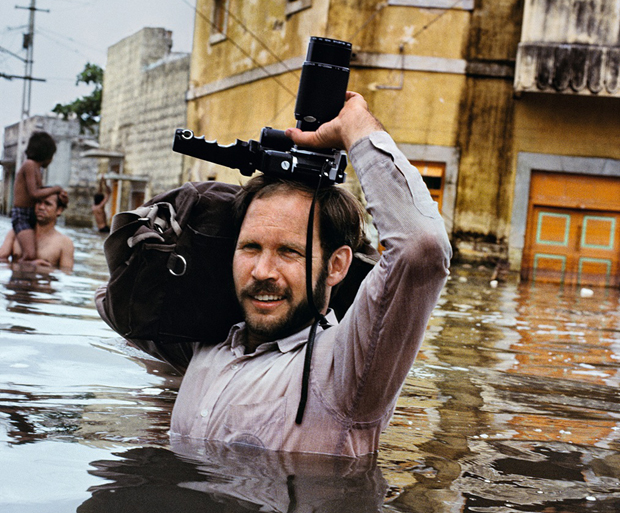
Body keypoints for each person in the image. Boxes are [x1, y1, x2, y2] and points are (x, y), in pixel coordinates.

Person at [97, 92, 452, 457]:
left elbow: (421, 249)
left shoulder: (347, 371)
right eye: (250, 247)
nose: (262, 271)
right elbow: (113, 302)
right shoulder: (201, 345)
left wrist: (355, 127)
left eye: (288, 252)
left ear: (337, 266)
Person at [11, 131, 69, 262]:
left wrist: (61, 197)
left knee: (35, 253)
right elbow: (34, 193)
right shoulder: (29, 165)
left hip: (31, 214)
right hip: (22, 215)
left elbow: (42, 194)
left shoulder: (38, 169)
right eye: (52, 156)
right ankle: (18, 270)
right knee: (30, 255)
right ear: (46, 154)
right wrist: (57, 188)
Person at [0, 191, 75, 271]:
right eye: (39, 202)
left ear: (59, 210)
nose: (41, 207)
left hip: (42, 282)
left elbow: (66, 274)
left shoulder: (65, 243)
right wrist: (28, 265)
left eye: (47, 204)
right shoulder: (16, 232)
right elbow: (1, 261)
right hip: (16, 282)